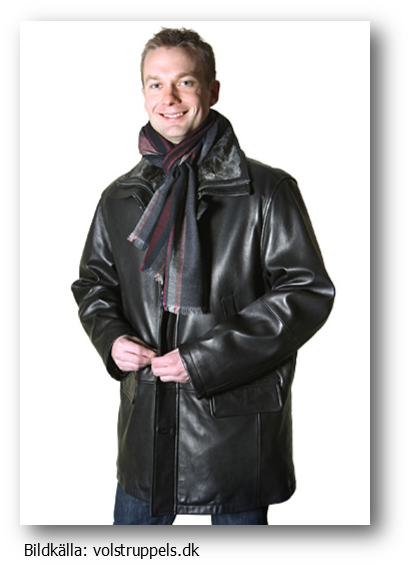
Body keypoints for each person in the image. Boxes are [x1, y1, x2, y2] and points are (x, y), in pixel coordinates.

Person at [72, 28, 335, 526]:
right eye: (155, 84)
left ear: (212, 90)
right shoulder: (120, 197)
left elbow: (306, 292)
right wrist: (111, 338)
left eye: (185, 82)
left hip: (235, 429)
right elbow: (94, 285)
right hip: (146, 423)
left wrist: (205, 359)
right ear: (142, 92)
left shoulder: (266, 190)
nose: (168, 98)